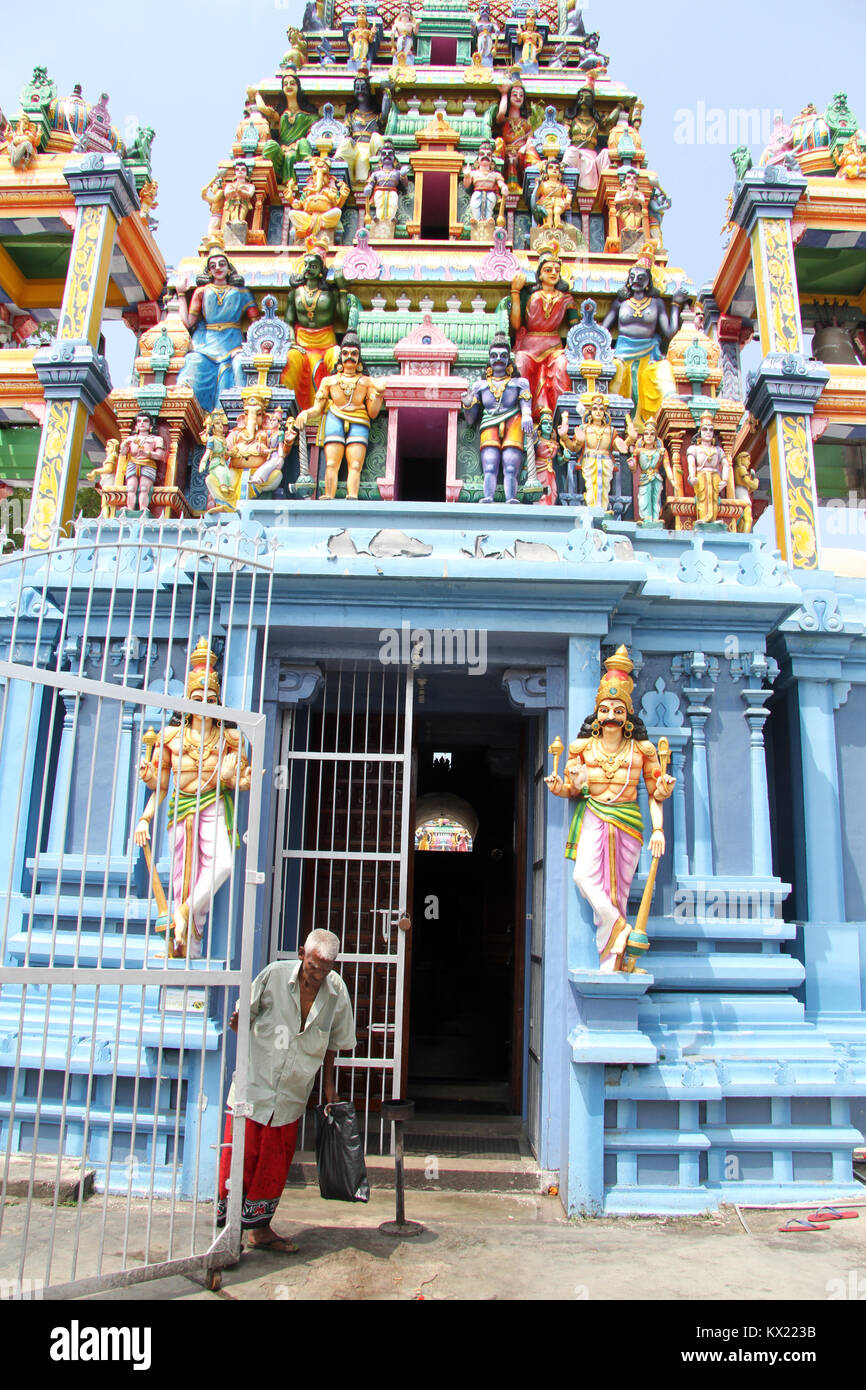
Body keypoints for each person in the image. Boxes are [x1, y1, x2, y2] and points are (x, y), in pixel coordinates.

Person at [217, 929, 356, 1252]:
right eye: (313, 966)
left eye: (326, 968)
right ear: (300, 955)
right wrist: (238, 1021)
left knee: (273, 1164)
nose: (318, 974)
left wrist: (330, 1089)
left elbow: (335, 1043)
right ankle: (227, 1235)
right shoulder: (274, 976)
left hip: (292, 1091)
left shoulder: (337, 992)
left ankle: (260, 1230)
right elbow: (244, 1014)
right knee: (237, 1159)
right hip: (254, 1087)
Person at [546, 647, 675, 973]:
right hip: (593, 815)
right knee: (583, 877)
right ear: (597, 714)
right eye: (604, 709)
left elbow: (655, 793)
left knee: (618, 891)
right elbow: (572, 789)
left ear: (628, 715)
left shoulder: (642, 750)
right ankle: (620, 927)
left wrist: (658, 826)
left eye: (618, 709)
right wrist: (558, 787)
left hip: (628, 821)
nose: (611, 715)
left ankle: (613, 961)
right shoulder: (581, 748)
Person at [133, 641, 251, 959]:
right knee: (182, 878)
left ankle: (182, 913)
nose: (204, 705)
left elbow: (243, 780)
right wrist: (145, 817)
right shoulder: (171, 737)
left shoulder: (230, 737)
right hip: (180, 806)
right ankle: (185, 950)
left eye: (210, 700)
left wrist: (230, 777)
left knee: (222, 865)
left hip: (213, 804)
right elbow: (160, 784)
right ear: (187, 701)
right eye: (198, 699)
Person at [293, 332, 386, 500]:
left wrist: (378, 395)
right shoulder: (329, 381)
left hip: (359, 419)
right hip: (335, 417)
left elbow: (372, 413)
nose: (349, 357)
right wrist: (306, 413)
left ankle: (352, 495)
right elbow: (318, 408)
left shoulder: (366, 381)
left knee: (355, 465)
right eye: (345, 353)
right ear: (340, 357)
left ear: (358, 358)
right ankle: (329, 494)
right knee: (331, 463)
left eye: (354, 353)